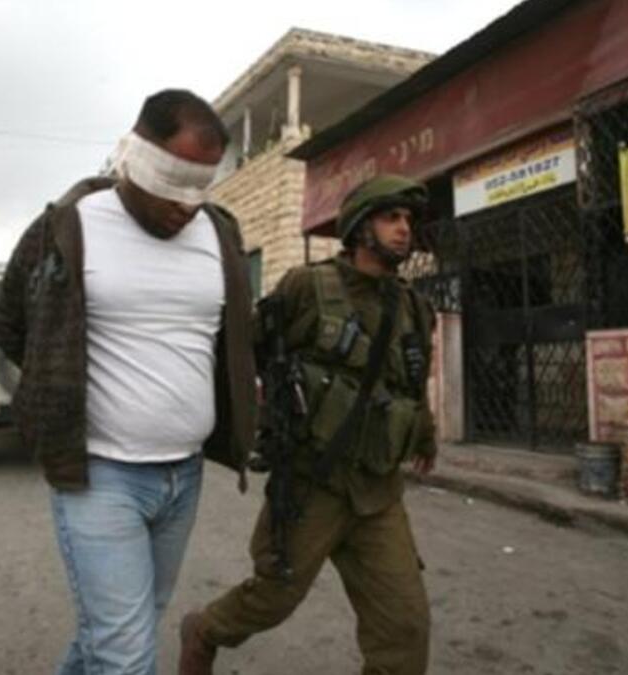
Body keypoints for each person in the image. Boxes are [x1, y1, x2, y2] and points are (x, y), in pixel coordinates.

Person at [0, 89, 256, 675]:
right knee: (126, 651)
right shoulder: (67, 226)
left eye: (201, 185)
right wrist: (60, 385)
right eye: (173, 181)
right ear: (135, 154)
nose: (186, 203)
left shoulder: (220, 233)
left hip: (182, 476)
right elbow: (14, 326)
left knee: (119, 632)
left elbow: (232, 339)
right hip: (99, 476)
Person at [179, 175, 439, 675]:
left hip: (378, 492)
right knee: (273, 598)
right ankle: (205, 630)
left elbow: (411, 382)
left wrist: (424, 434)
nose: (404, 230)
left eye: (408, 220)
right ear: (361, 228)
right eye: (391, 218)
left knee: (406, 628)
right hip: (310, 484)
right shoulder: (307, 288)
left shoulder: (413, 307)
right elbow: (243, 352)